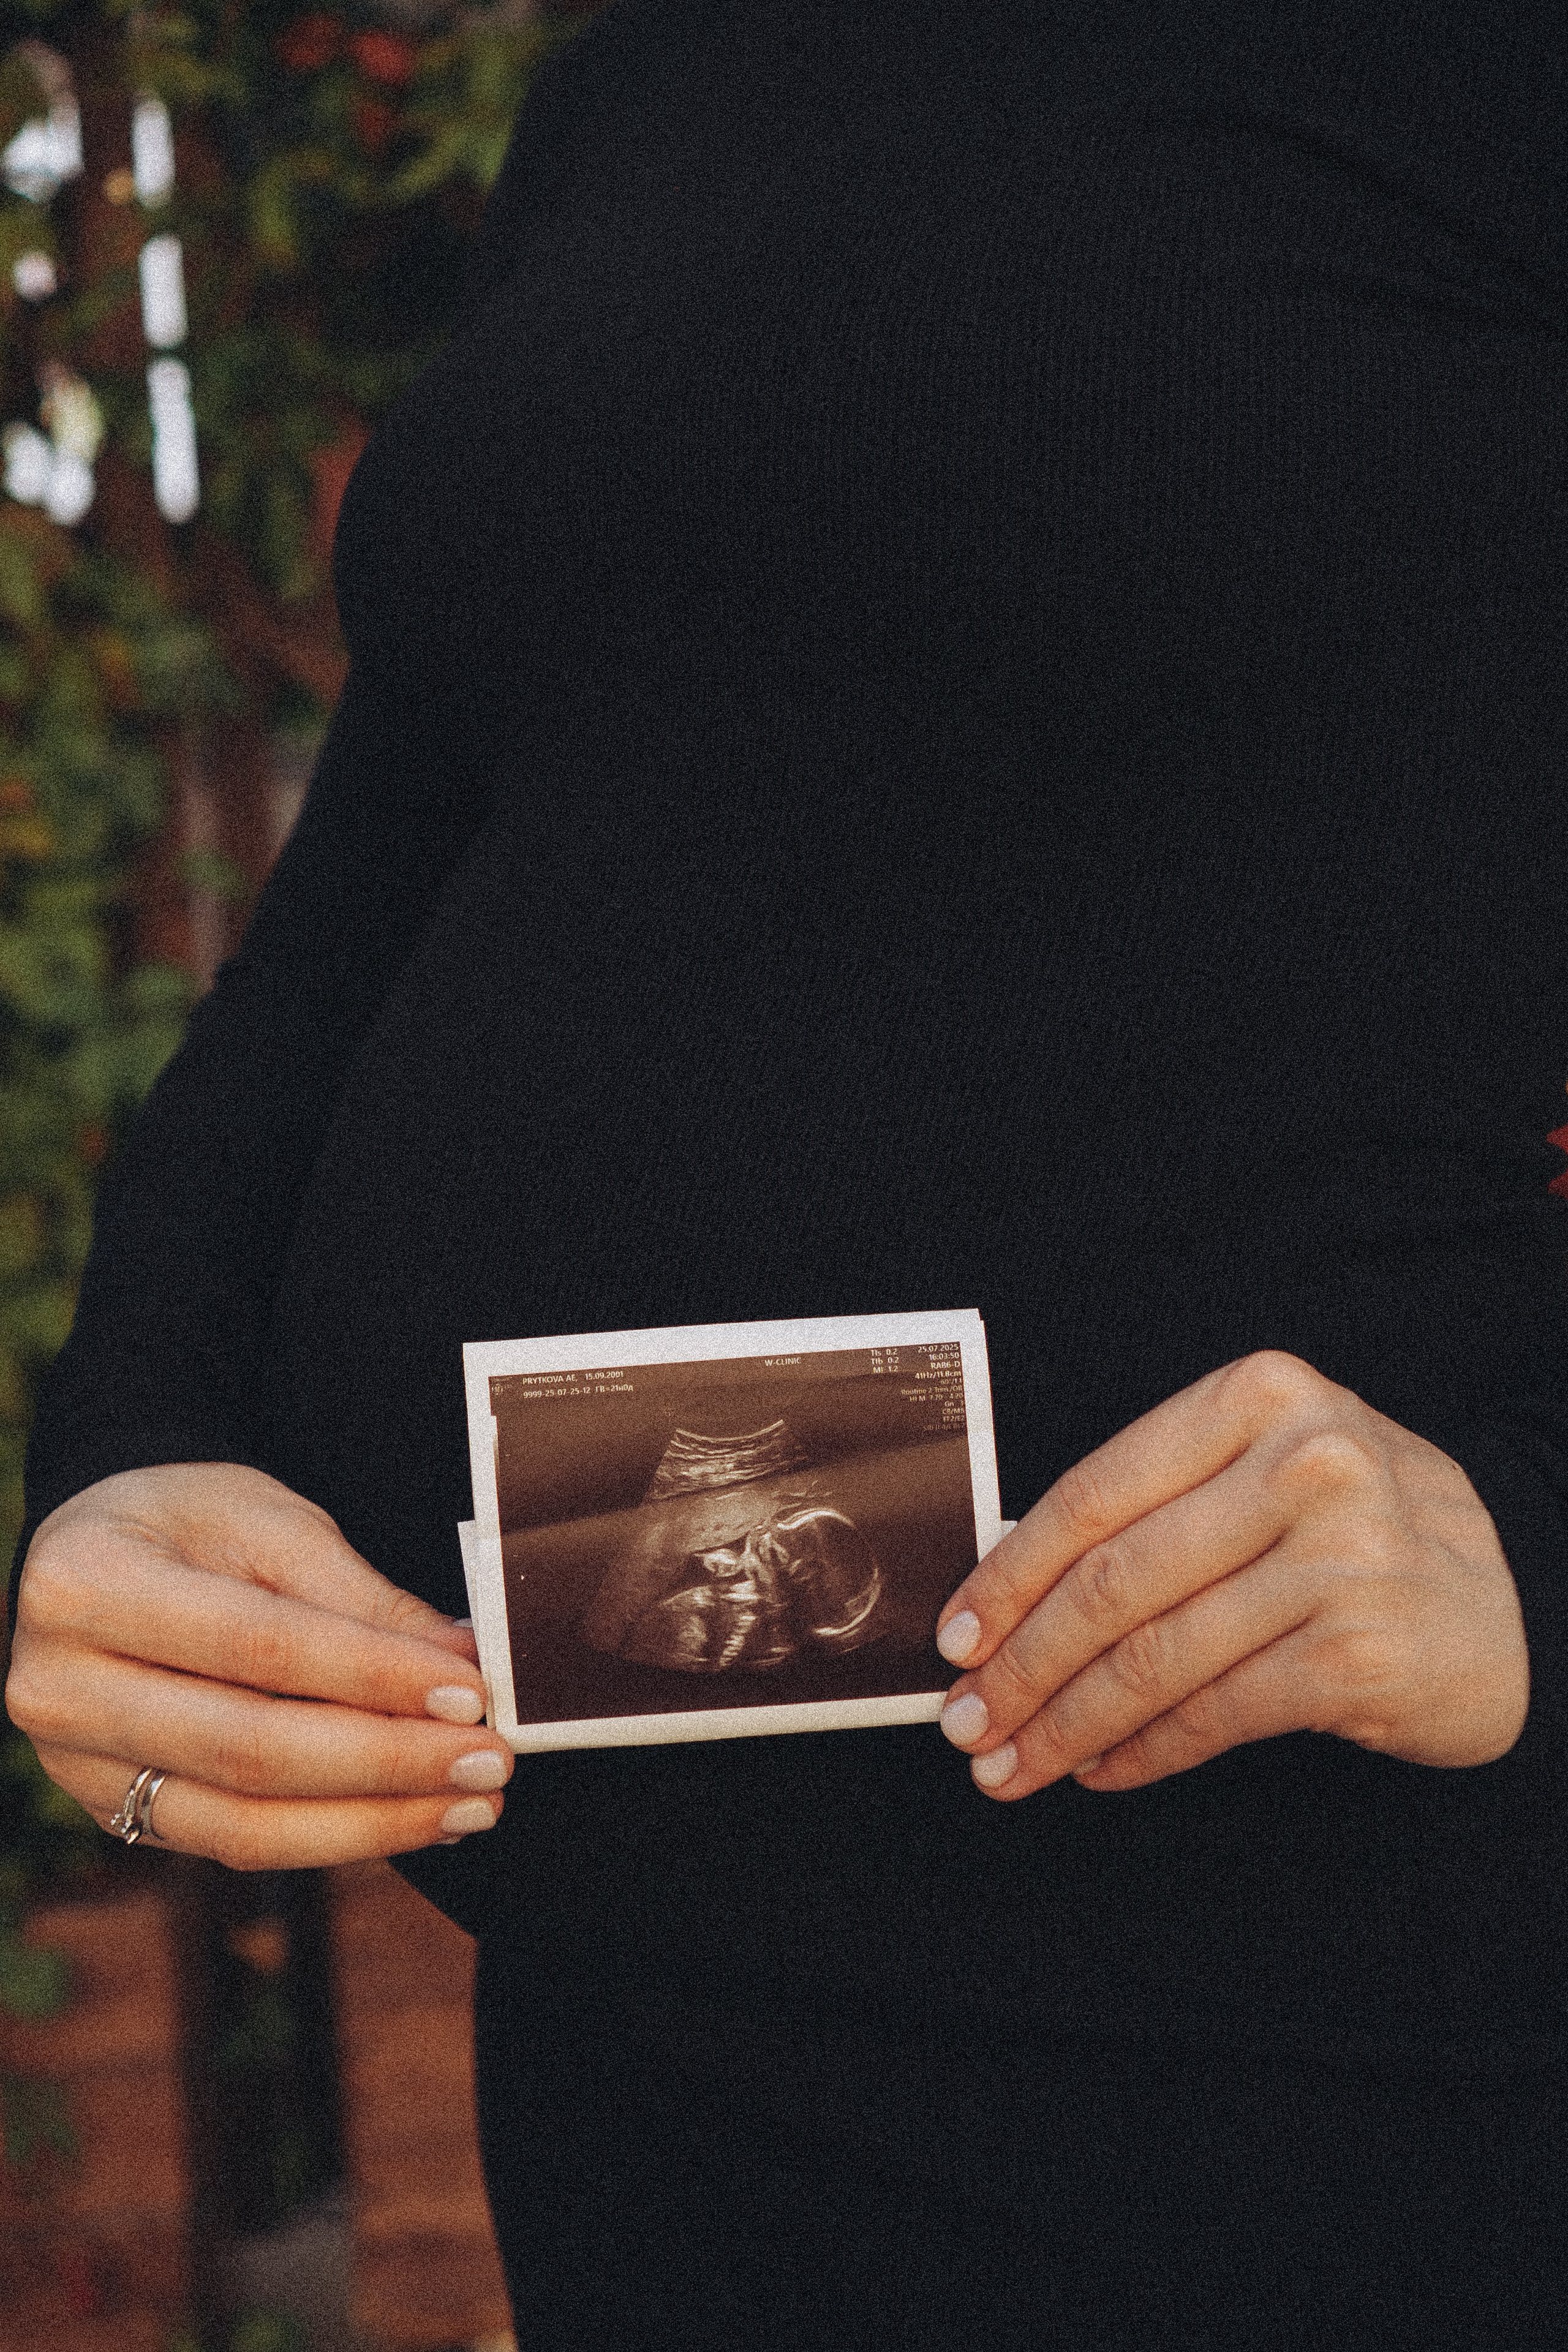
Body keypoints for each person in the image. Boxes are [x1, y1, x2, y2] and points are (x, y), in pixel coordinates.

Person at [7, 0, 1568, 2342]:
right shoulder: (650, 75)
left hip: (1323, 2073)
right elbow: (367, 914)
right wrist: (124, 1456)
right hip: (648, 2064)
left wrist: (1537, 1554)